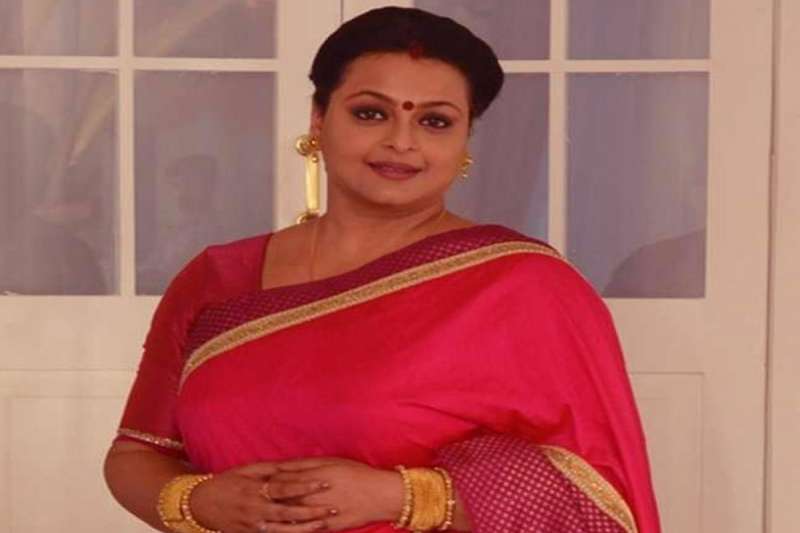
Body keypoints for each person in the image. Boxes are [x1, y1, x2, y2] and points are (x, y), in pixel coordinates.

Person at [104, 7, 661, 533]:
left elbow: (600, 499)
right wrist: (196, 501)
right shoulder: (218, 279)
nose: (401, 141)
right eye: (371, 113)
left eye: (436, 121)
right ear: (318, 118)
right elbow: (136, 454)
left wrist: (404, 496)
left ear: (464, 142)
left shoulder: (523, 286)